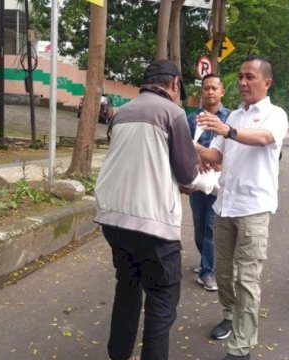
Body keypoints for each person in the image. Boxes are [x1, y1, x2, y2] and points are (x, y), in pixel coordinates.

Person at [94, 59, 199, 360]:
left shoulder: (121, 113)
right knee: (162, 301)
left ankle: (120, 354)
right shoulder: (173, 113)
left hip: (113, 220)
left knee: (127, 288)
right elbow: (189, 176)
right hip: (153, 225)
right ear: (174, 84)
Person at [195, 56, 288, 360]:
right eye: (241, 77)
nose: (244, 82)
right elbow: (215, 156)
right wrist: (191, 144)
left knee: (246, 280)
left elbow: (263, 139)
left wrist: (226, 130)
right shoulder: (233, 115)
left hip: (254, 209)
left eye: (250, 77)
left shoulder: (275, 114)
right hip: (225, 206)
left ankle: (241, 347)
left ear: (267, 82)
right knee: (223, 274)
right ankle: (229, 315)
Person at [187, 73, 230, 292]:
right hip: (198, 183)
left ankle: (208, 271)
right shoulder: (192, 119)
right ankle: (206, 259)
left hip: (219, 185)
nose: (210, 92)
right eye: (206, 88)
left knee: (211, 227)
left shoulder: (231, 119)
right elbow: (183, 147)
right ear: (202, 92)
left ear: (222, 91)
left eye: (214, 88)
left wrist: (222, 164)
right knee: (199, 229)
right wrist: (196, 159)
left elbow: (237, 150)